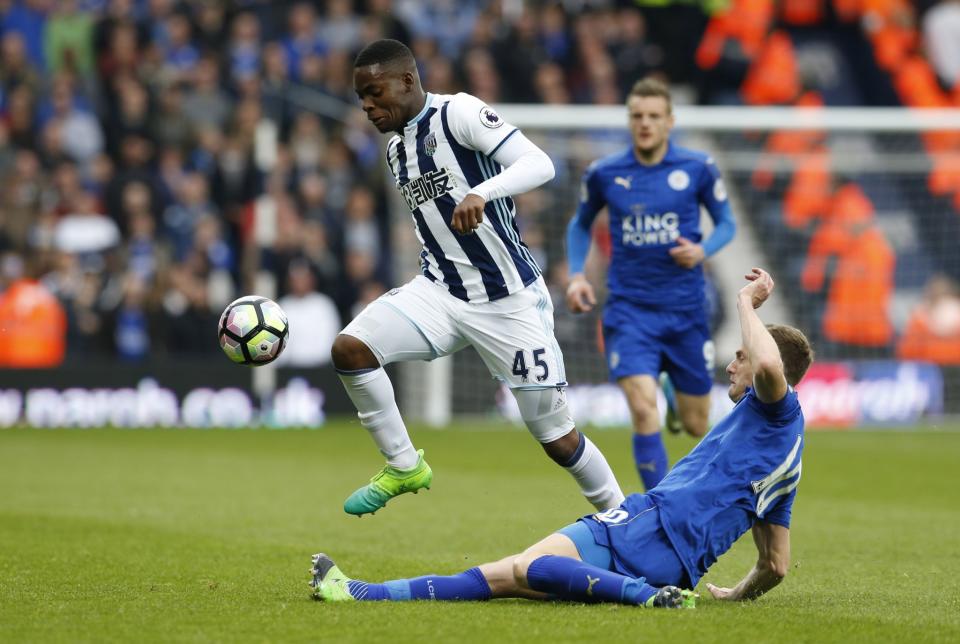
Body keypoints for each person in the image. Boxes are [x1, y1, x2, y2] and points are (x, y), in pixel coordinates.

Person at [310, 268, 813, 609]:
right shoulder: (780, 447)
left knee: (532, 569)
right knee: (507, 572)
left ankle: (645, 596)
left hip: (662, 543)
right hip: (639, 518)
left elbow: (767, 361)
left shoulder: (778, 410)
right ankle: (360, 592)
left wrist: (747, 301)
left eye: (739, 357)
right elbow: (776, 564)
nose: (732, 362)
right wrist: (732, 597)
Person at [330, 39, 624, 517]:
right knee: (351, 349)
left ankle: (623, 517)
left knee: (557, 439)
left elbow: (539, 164)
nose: (366, 105)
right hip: (441, 291)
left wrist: (482, 193)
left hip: (509, 300)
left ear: (407, 80)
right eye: (360, 96)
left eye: (374, 92)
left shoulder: (460, 113)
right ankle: (404, 465)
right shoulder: (395, 153)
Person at [565, 77, 737, 491]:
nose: (645, 123)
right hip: (629, 311)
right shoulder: (605, 173)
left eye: (654, 116)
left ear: (670, 121)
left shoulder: (697, 168)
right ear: (629, 121)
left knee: (696, 425)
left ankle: (674, 394)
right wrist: (576, 275)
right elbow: (580, 223)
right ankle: (657, 511)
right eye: (637, 116)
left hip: (685, 310)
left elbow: (727, 223)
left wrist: (702, 250)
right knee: (644, 412)